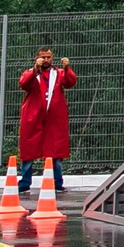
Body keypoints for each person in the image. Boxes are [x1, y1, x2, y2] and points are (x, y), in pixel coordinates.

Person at [17, 45, 79, 197]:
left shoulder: (58, 73)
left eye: (48, 57)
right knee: (29, 151)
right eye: (43, 57)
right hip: (34, 117)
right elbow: (23, 83)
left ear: (52, 58)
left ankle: (57, 183)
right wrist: (35, 68)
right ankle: (24, 184)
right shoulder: (31, 73)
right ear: (37, 58)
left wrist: (68, 67)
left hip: (54, 119)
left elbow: (70, 82)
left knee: (55, 151)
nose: (46, 60)